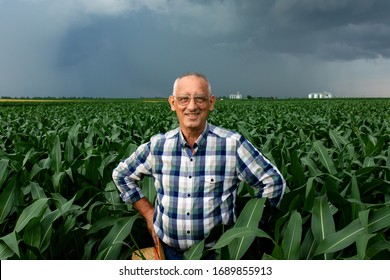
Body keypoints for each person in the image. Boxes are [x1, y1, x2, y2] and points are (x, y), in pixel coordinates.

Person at [112, 72, 286, 259]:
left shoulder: (231, 144)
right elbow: (122, 175)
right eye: (184, 99)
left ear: (211, 103)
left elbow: (273, 182)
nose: (192, 106)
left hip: (217, 254)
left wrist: (249, 225)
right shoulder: (158, 146)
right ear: (173, 103)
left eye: (200, 99)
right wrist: (147, 212)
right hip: (169, 253)